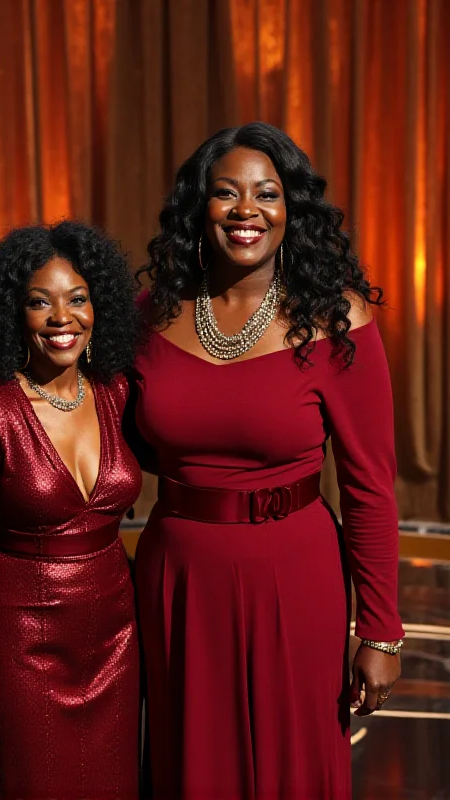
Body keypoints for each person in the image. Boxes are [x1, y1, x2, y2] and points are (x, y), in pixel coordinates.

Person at [130, 122, 403, 799]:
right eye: (227, 194)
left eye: (267, 195)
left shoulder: (339, 320)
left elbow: (370, 487)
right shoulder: (148, 315)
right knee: (193, 767)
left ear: (292, 211)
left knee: (293, 766)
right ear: (201, 207)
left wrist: (380, 631)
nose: (246, 211)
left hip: (295, 576)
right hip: (179, 581)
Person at [0, 221, 142, 799]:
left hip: (116, 639)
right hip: (26, 649)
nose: (63, 318)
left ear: (98, 305)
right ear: (14, 314)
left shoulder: (117, 392)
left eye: (77, 299)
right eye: (40, 303)